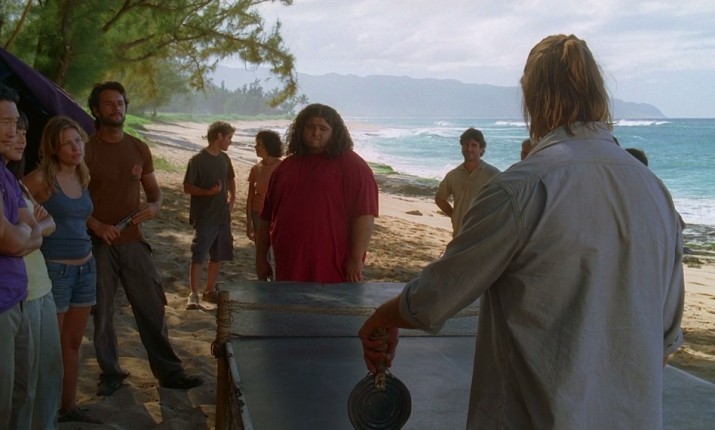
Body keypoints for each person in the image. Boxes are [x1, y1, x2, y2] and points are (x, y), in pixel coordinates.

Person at [359, 34, 684, 429]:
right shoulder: (655, 192)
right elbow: (666, 336)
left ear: (532, 98)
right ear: (598, 91)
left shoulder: (521, 188)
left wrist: (383, 317)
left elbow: (438, 294)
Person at [85, 81, 202, 396]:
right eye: (108, 103)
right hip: (98, 244)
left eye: (120, 102)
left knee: (152, 306)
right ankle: (111, 373)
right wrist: (96, 225)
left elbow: (155, 194)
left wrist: (154, 207)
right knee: (103, 313)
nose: (116, 108)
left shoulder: (138, 148)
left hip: (134, 241)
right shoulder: (86, 149)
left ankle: (170, 372)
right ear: (95, 109)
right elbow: (72, 199)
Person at [23, 116, 102, 424]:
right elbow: (14, 207)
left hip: (86, 269)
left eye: (78, 140)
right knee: (49, 348)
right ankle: (43, 413)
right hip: (56, 272)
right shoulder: (41, 179)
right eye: (66, 144)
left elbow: (79, 218)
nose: (75, 148)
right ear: (53, 148)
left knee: (72, 343)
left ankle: (68, 406)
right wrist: (35, 225)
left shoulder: (83, 174)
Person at [256, 103, 379, 283]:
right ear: (301, 129)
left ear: (334, 133)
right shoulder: (286, 167)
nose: (316, 133)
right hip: (287, 263)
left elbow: (365, 215)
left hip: (333, 265)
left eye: (323, 128)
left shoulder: (353, 166)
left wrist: (356, 259)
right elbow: (266, 217)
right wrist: (261, 257)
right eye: (310, 127)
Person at [6, 112, 63, 429]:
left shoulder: (15, 183)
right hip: (21, 293)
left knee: (47, 374)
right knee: (22, 387)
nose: (20, 138)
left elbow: (47, 224)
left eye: (24, 132)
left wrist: (30, 231)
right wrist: (32, 232)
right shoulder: (19, 184)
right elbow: (15, 242)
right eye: (13, 129)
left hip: (41, 286)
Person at [0, 83, 43, 429]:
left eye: (15, 124)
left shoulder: (8, 177)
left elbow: (33, 231)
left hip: (18, 298)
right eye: (4, 122)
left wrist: (22, 233)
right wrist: (24, 233)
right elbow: (15, 242)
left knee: (22, 393)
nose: (13, 132)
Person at [183, 121, 236, 310]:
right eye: (229, 137)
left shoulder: (225, 158)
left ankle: (209, 290)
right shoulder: (197, 160)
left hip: (222, 216)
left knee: (217, 256)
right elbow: (187, 187)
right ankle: (193, 294)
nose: (230, 142)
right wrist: (208, 192)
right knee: (198, 254)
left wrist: (232, 198)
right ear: (219, 136)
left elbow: (231, 178)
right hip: (205, 216)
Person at [435, 128, 500, 237]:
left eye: (474, 145)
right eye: (466, 144)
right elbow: (439, 198)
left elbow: (504, 203)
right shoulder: (453, 175)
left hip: (484, 237)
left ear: (481, 149)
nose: (469, 149)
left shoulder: (493, 174)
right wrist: (454, 216)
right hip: (459, 235)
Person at [246, 130, 283, 242]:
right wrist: (248, 223)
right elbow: (250, 197)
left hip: (276, 216)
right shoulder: (255, 169)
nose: (255, 147)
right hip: (257, 215)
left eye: (259, 144)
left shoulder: (283, 167)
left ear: (269, 146)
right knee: (260, 248)